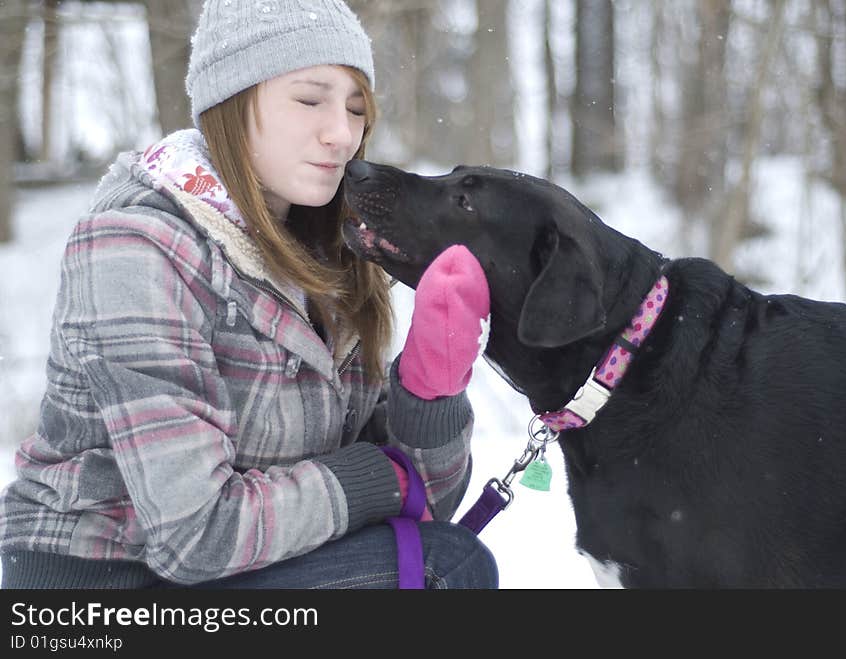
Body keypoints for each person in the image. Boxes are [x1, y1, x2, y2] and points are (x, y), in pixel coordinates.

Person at [0, 0, 497, 589]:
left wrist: (429, 390)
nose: (342, 132)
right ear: (233, 103)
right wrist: (380, 476)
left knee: (440, 556)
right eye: (310, 99)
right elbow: (199, 536)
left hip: (237, 571)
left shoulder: (333, 256)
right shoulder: (135, 246)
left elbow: (425, 499)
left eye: (357, 108)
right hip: (96, 590)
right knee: (445, 567)